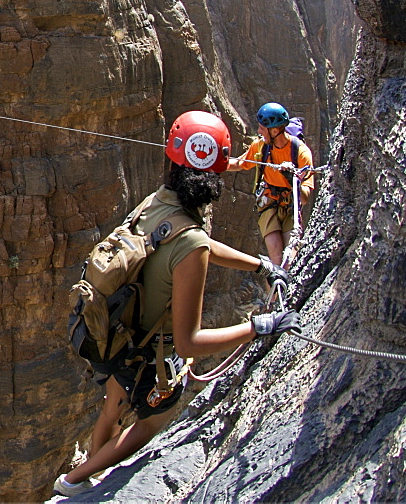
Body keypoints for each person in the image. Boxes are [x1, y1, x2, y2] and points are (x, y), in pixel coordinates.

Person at [54, 111, 300, 498]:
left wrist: (259, 265)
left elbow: (196, 243)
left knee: (112, 406)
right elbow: (189, 344)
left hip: (113, 330)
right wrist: (261, 326)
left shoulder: (158, 203)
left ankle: (83, 471)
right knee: (154, 421)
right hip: (145, 350)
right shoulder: (191, 244)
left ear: (172, 160)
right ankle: (73, 481)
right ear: (217, 175)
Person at [226, 102, 315, 266]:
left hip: (290, 207)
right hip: (269, 203)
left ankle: (284, 290)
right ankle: (274, 290)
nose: (259, 132)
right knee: (277, 259)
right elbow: (238, 163)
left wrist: (291, 179)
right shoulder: (261, 147)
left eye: (262, 128)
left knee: (290, 261)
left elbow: (304, 199)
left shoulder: (301, 153)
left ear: (274, 130)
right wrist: (211, 162)